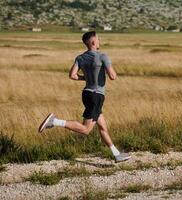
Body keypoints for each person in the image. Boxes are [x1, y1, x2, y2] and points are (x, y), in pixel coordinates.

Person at [38, 31, 130, 163]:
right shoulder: (103, 56)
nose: (99, 41)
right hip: (96, 96)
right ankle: (55, 121)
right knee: (86, 129)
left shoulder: (80, 58)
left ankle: (116, 154)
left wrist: (85, 78)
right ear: (93, 42)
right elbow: (113, 76)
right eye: (98, 39)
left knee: (103, 127)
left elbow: (72, 75)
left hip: (87, 93)